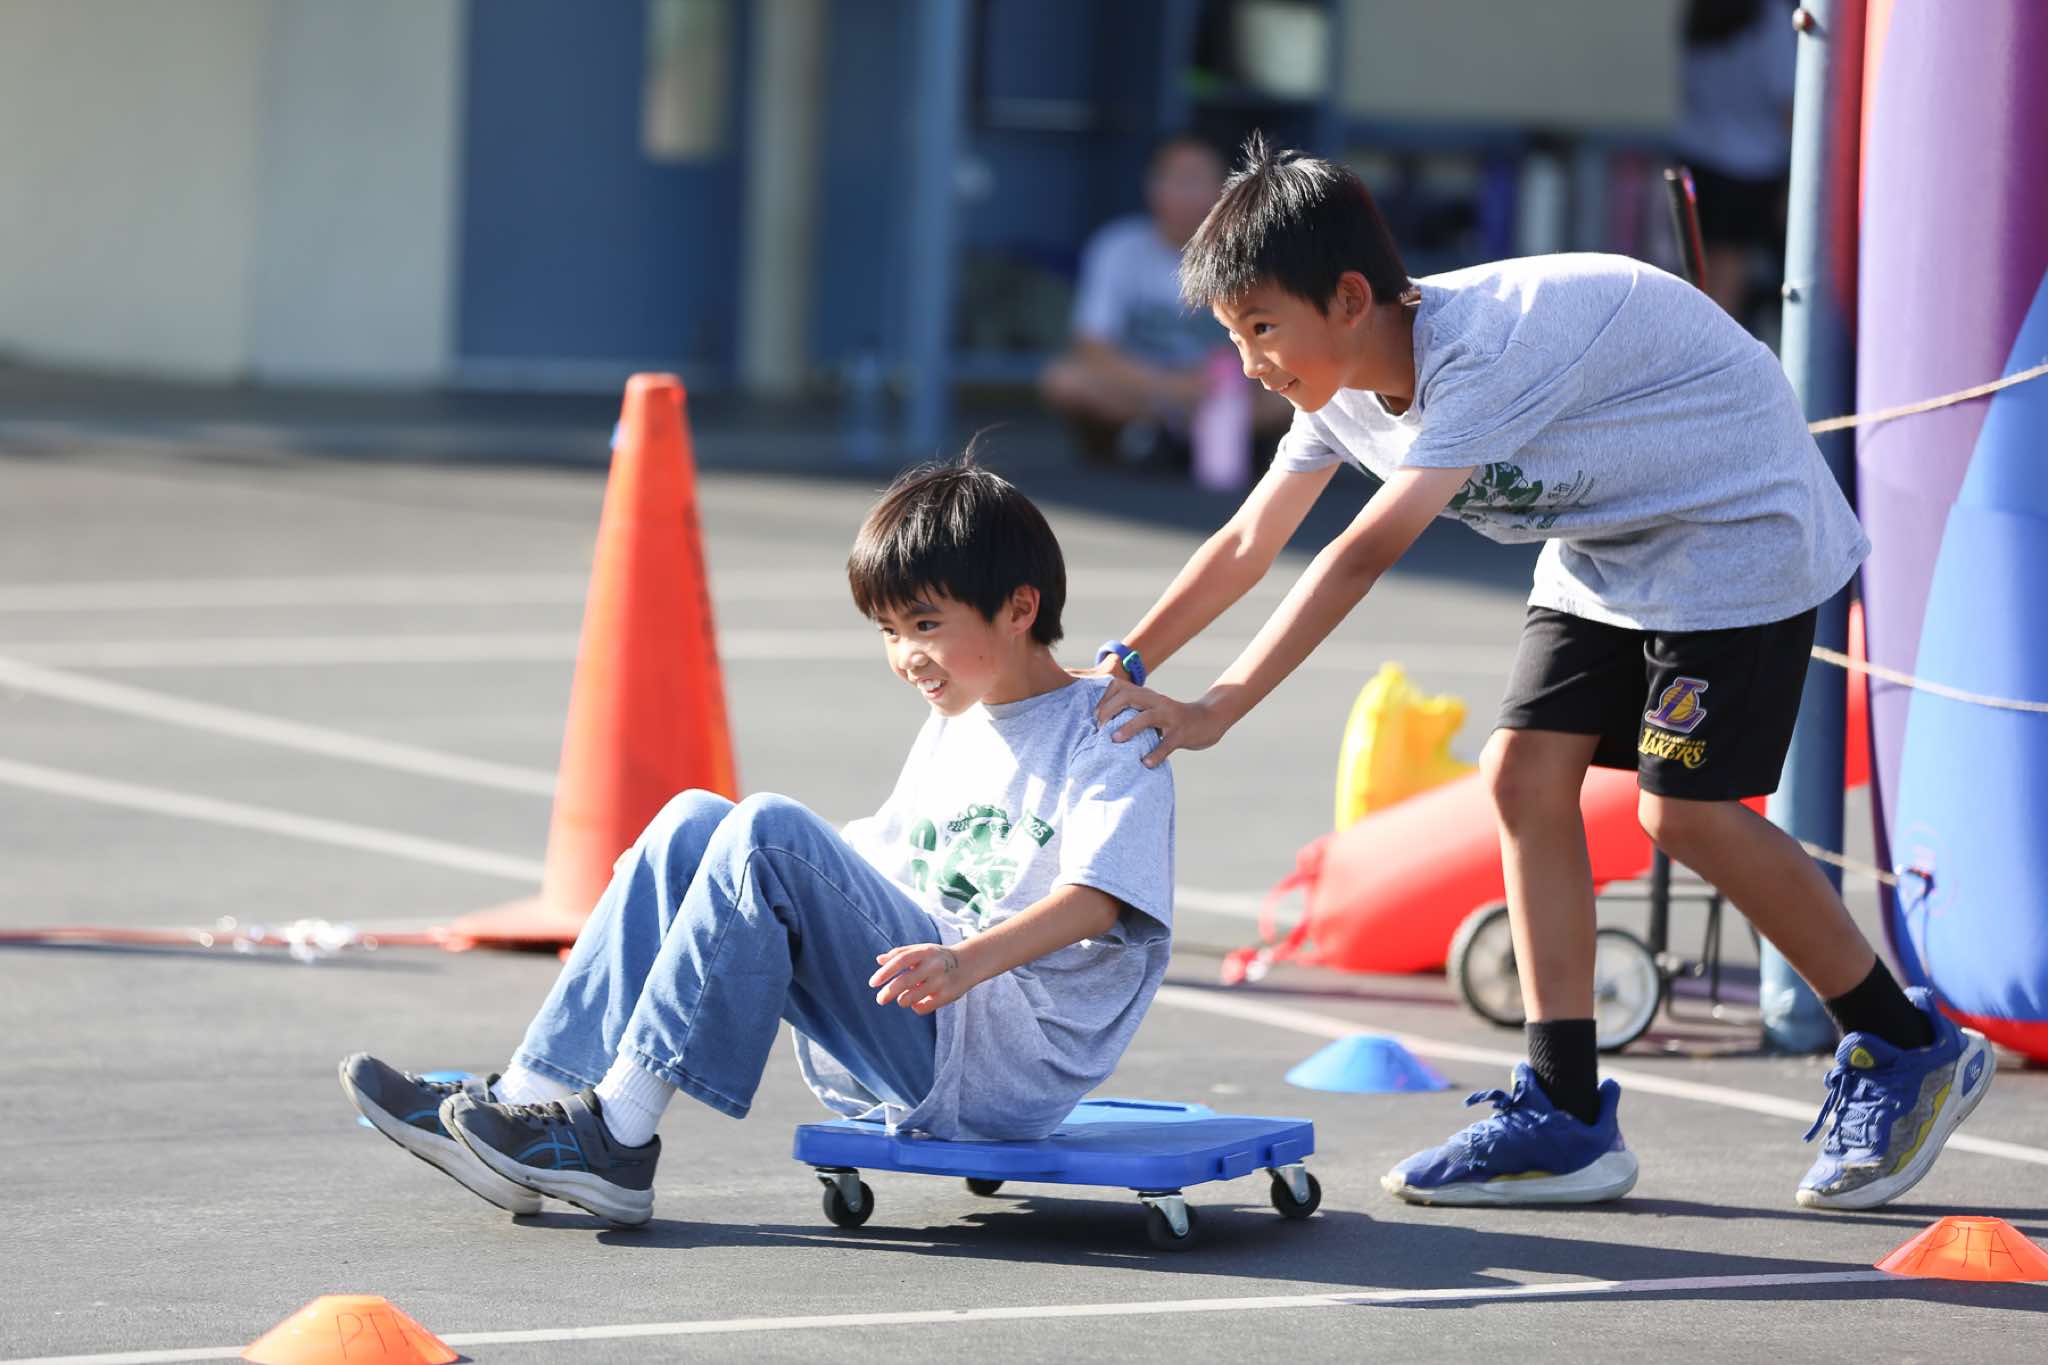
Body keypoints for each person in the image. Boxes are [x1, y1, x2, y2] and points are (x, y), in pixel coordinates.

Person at [1085, 135, 1995, 1210]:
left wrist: (1220, 703)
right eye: (1234, 334)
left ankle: (1905, 1045)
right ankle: (1564, 1114)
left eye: (1261, 327)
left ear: (1348, 299)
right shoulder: (1332, 387)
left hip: (1736, 525)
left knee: (1684, 814)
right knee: (1520, 777)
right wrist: (1128, 659)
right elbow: (1249, 539)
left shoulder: (1475, 355)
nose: (1248, 363)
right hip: (1607, 540)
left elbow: (1358, 554)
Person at [341, 459, 1174, 1228]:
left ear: (1020, 608)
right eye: (888, 631)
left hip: (1001, 1057)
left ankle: (619, 1132)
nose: (906, 656)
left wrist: (965, 960)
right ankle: (527, 1102)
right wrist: (703, 871)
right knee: (694, 821)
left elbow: (1099, 898)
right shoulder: (960, 719)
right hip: (920, 1012)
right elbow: (874, 863)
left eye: (925, 623)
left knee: (766, 830)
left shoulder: (1108, 726)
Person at [1040, 132, 1288, 470]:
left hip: (1225, 394)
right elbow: (1092, 345)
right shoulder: (1118, 246)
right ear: (1152, 186)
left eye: (1196, 181)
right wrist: (1172, 386)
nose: (1183, 195)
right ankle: (1163, 438)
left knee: (1298, 396)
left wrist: (1219, 385)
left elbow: (1280, 344)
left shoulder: (1255, 253)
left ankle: (1163, 442)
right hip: (1145, 388)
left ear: (1226, 190)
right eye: (1174, 180)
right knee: (1065, 380)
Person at [1673, 0, 1798, 326]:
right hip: (1748, 169)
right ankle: (1710, 354)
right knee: (1726, 287)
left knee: (1697, 278)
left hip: (1695, 158)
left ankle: (1690, 350)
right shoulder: (1768, 15)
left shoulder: (1702, 11)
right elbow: (1788, 100)